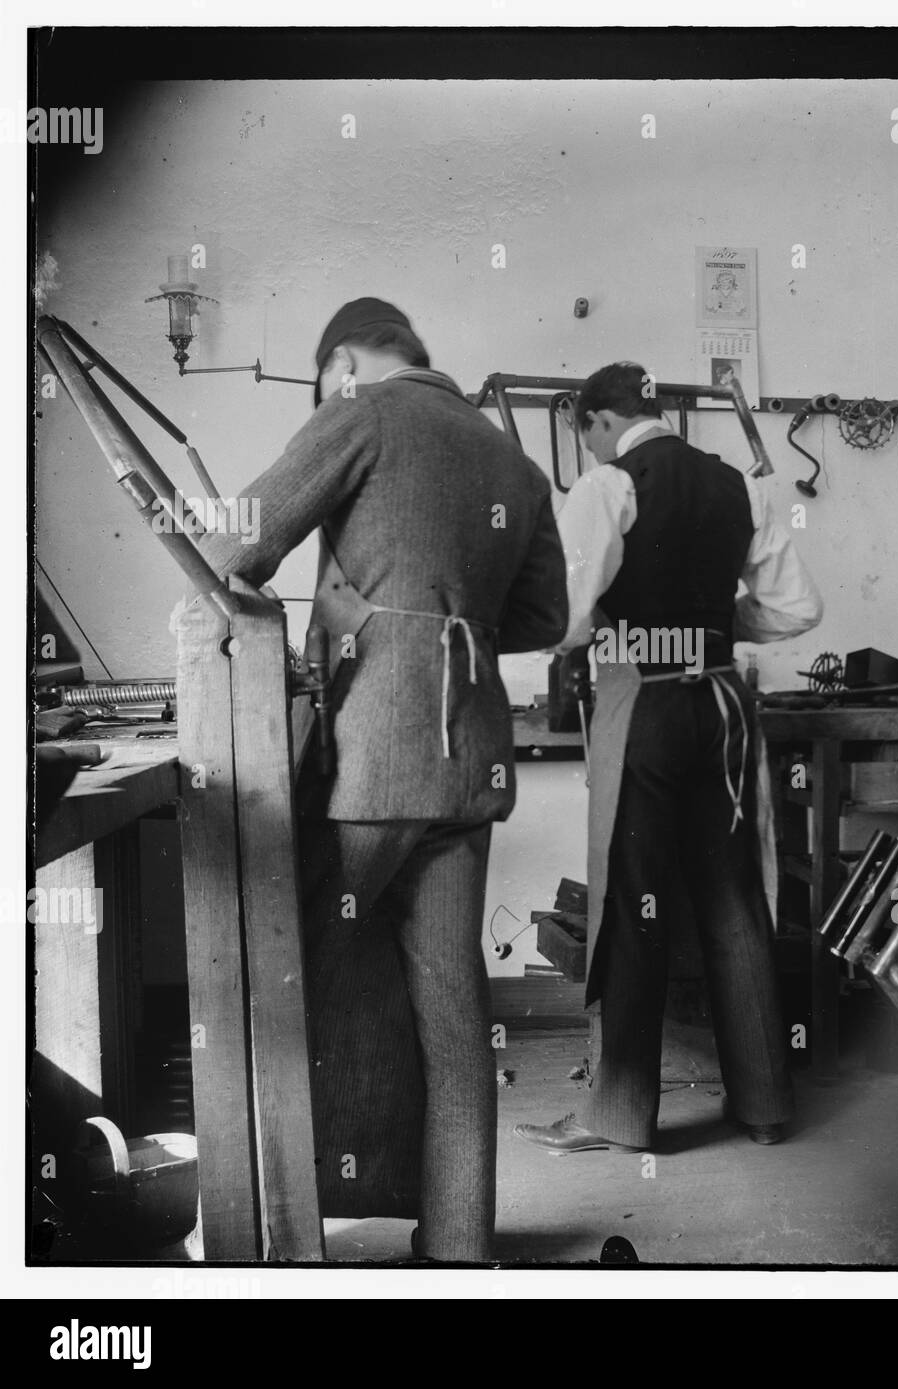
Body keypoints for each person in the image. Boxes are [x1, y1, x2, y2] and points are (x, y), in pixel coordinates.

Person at [186, 298, 568, 1260]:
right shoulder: (511, 459)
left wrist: (367, 617)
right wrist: (443, 617)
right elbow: (543, 617)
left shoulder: (359, 414)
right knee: (454, 1009)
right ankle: (458, 1245)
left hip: (371, 760)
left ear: (345, 363)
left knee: (284, 980)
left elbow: (233, 544)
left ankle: (257, 1236)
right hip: (467, 766)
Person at [513, 361, 822, 1157]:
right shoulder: (741, 486)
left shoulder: (608, 487)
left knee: (632, 904)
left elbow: (572, 619)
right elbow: (797, 608)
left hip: (644, 705)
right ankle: (764, 1105)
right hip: (722, 707)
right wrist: (714, 627)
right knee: (735, 899)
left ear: (596, 423)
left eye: (588, 440)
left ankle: (620, 1118)